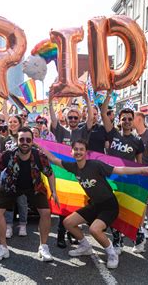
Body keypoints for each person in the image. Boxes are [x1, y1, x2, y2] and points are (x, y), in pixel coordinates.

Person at [40, 139, 148, 269]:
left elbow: (119, 170)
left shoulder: (95, 165)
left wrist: (142, 170)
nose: (78, 152)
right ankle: (85, 247)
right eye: (76, 149)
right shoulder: (73, 167)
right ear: (71, 152)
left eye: (81, 149)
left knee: (94, 230)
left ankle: (112, 253)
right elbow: (54, 160)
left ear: (86, 152)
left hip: (109, 206)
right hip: (94, 205)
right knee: (68, 223)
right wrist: (37, 144)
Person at [0, 127, 59, 262]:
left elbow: (50, 174)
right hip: (12, 186)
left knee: (45, 212)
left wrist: (54, 192)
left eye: (28, 139)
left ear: (32, 141)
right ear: (17, 141)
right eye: (22, 139)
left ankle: (43, 247)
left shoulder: (39, 156)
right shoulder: (8, 154)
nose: (25, 142)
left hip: (34, 186)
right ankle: (3, 248)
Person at [101, 91, 144, 253]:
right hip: (112, 179)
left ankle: (139, 238)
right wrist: (109, 95)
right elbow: (103, 113)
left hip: (129, 181)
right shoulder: (113, 135)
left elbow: (139, 164)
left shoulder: (138, 141)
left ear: (133, 122)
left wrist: (139, 182)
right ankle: (117, 241)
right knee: (113, 211)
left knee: (128, 213)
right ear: (119, 121)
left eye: (129, 119)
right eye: (123, 119)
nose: (126, 121)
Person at [49, 94, 93, 248]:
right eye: (71, 117)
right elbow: (53, 119)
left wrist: (87, 100)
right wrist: (50, 100)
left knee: (78, 204)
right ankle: (60, 235)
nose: (73, 120)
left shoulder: (83, 131)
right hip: (63, 174)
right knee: (64, 205)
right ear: (66, 119)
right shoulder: (61, 131)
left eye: (76, 117)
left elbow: (90, 119)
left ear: (79, 118)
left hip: (79, 173)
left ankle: (72, 233)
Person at [133, 111, 148, 252]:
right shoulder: (134, 135)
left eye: (133, 118)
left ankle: (141, 228)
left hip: (145, 173)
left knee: (142, 203)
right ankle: (137, 227)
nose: (131, 120)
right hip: (133, 173)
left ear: (140, 119)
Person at [3, 114, 28, 238]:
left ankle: (23, 225)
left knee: (22, 202)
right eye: (10, 121)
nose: (12, 124)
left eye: (15, 122)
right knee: (9, 201)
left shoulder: (24, 138)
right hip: (9, 175)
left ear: (20, 124)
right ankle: (8, 226)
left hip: (22, 174)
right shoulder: (6, 139)